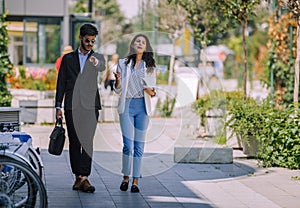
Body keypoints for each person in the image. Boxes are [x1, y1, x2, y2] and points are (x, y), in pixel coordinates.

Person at [55, 23, 105, 193]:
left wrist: (95, 61)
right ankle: (79, 178)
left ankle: (84, 177)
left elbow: (102, 67)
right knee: (75, 142)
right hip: (72, 106)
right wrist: (57, 106)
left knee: (88, 141)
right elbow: (61, 83)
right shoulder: (68, 59)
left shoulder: (97, 57)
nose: (90, 44)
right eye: (87, 40)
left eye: (93, 41)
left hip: (91, 106)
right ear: (80, 38)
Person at [114, 34, 156, 193]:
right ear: (132, 44)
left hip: (142, 109)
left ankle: (135, 181)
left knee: (139, 146)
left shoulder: (150, 66)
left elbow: (153, 92)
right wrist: (118, 81)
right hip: (127, 107)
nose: (140, 44)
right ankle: (125, 177)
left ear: (146, 47)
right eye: (137, 41)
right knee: (128, 145)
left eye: (143, 42)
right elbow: (117, 90)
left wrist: (148, 89)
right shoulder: (122, 64)